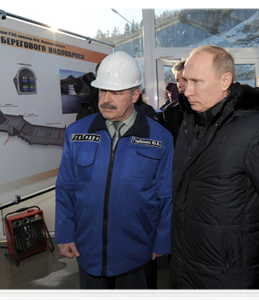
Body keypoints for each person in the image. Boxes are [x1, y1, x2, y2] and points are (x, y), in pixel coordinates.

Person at [55, 51, 174, 300]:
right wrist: (65, 233)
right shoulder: (77, 133)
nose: (106, 100)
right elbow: (65, 187)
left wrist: (162, 240)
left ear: (135, 94)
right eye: (102, 91)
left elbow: (166, 194)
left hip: (139, 245)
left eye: (116, 92)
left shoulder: (160, 137)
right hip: (89, 246)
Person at [171, 45, 259, 300]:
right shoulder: (189, 121)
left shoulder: (256, 131)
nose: (187, 90)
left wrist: (250, 250)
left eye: (197, 81)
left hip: (230, 282)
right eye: (186, 81)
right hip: (187, 271)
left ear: (225, 81)